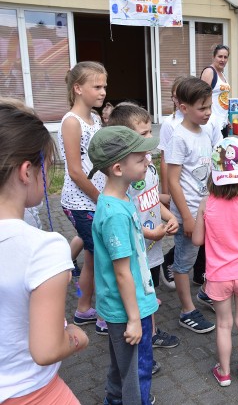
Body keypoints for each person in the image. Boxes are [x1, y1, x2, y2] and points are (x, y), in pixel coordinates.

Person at [0, 101, 89, 404]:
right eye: (47, 167)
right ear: (27, 171)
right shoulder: (44, 248)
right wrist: (76, 335)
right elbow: (47, 349)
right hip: (32, 393)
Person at [88, 126, 160, 405]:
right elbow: (121, 272)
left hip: (131, 303)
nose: (148, 162)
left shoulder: (122, 199)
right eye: (141, 159)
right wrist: (133, 318)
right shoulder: (114, 213)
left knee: (122, 367)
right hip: (126, 310)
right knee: (136, 371)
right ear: (118, 168)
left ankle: (114, 400)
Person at [108, 104, 181, 368]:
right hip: (139, 247)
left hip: (153, 248)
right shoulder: (127, 175)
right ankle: (142, 347)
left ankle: (151, 331)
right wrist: (151, 232)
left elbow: (151, 203)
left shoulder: (146, 167)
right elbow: (128, 216)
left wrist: (169, 216)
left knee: (150, 294)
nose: (150, 138)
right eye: (143, 133)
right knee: (138, 297)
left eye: (151, 130)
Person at [192, 137, 238, 387]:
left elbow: (198, 239)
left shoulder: (206, 203)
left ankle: (223, 372)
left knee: (223, 325)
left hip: (219, 275)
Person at [165, 76, 221, 334]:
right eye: (202, 108)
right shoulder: (179, 137)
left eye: (209, 106)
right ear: (183, 108)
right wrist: (186, 217)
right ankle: (187, 311)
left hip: (207, 210)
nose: (208, 112)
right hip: (188, 213)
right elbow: (173, 181)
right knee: (184, 262)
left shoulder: (205, 131)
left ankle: (206, 293)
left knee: (209, 255)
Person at [58, 61, 109, 335]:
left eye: (104, 86)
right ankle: (104, 316)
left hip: (95, 198)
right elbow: (76, 172)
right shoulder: (71, 122)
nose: (102, 92)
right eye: (97, 86)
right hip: (82, 203)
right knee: (105, 259)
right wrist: (102, 199)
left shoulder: (96, 119)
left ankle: (83, 308)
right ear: (78, 88)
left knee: (92, 256)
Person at [158, 76, 186, 291]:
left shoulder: (203, 121)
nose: (177, 100)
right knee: (183, 230)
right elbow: (165, 159)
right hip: (178, 186)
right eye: (174, 97)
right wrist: (165, 191)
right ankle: (171, 261)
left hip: (196, 186)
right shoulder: (170, 123)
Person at [200, 43, 231, 138]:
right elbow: (201, 97)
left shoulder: (222, 74)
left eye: (225, 57)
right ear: (214, 56)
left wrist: (227, 119)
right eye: (220, 56)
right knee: (214, 152)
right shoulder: (209, 72)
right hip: (212, 123)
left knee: (222, 152)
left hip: (223, 122)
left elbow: (222, 98)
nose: (223, 60)